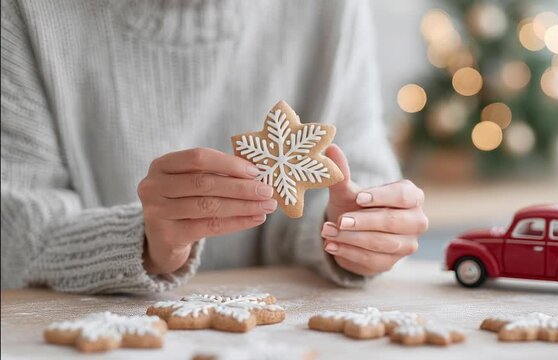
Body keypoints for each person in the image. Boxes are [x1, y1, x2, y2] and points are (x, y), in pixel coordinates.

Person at [0, 0, 428, 293]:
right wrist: (142, 241)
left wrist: (353, 230)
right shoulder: (27, 13)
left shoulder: (331, 9)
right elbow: (15, 230)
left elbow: (359, 174)